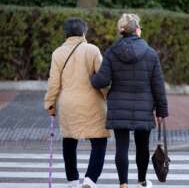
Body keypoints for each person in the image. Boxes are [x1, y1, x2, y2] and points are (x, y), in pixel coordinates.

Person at [91, 13, 168, 188]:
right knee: (142, 146)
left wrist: (91, 78)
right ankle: (142, 180)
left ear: (122, 31)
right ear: (138, 30)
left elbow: (102, 81)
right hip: (144, 106)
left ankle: (123, 183)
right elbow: (158, 85)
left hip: (119, 105)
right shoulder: (150, 54)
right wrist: (162, 111)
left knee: (122, 146)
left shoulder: (112, 52)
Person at [44, 18, 110, 188]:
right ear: (83, 33)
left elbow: (53, 83)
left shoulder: (57, 53)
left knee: (69, 140)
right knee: (99, 141)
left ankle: (72, 180)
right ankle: (90, 179)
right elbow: (102, 79)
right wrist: (108, 96)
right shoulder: (92, 50)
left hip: (68, 104)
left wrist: (50, 104)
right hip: (92, 103)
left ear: (65, 34)